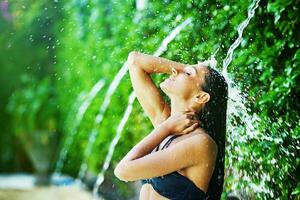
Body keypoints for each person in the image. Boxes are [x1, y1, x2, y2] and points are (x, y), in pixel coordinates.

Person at [114, 51, 228, 200]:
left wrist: (166, 128)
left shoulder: (201, 143)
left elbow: (123, 171)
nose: (175, 71)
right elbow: (135, 61)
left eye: (188, 73)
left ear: (200, 97)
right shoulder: (165, 121)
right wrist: (185, 69)